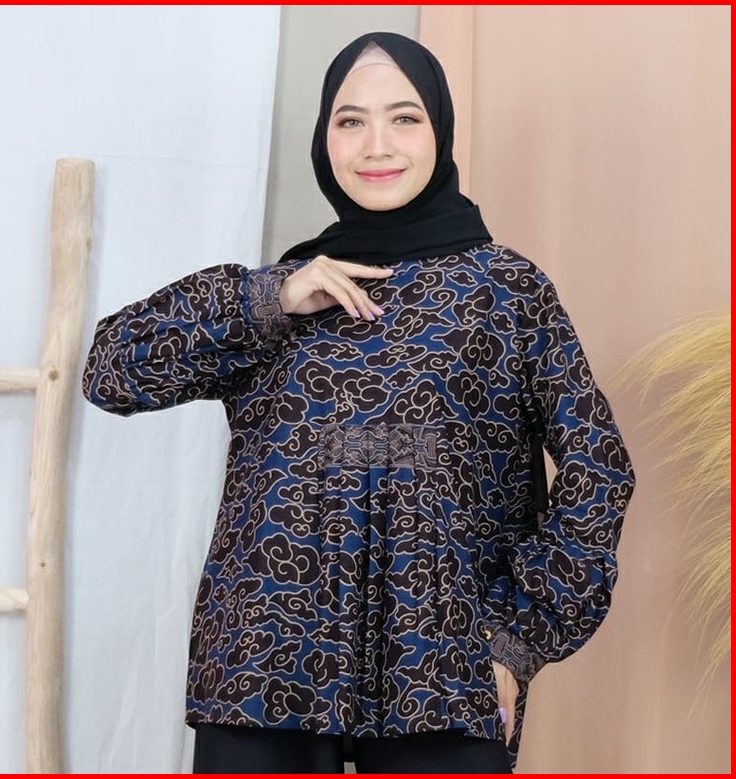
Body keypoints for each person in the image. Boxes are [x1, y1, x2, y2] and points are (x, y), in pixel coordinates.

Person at [82, 31, 635, 774]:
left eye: (404, 117)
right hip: (264, 667)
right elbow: (112, 371)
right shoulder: (282, 294)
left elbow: (599, 466)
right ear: (325, 137)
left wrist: (517, 638)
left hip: (438, 668)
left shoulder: (503, 291)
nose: (377, 144)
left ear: (438, 130)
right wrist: (271, 296)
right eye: (351, 120)